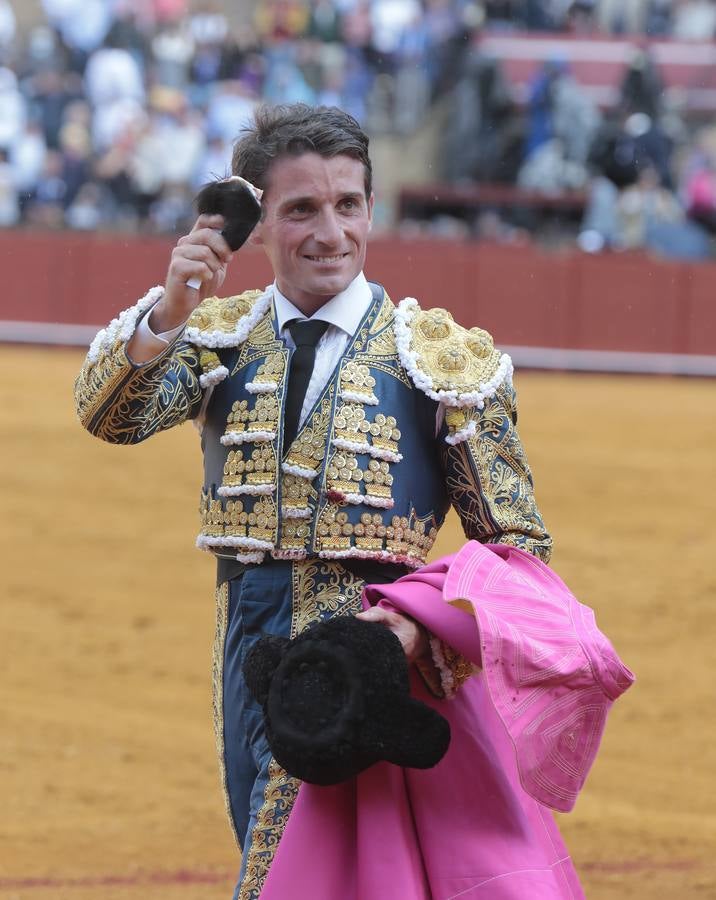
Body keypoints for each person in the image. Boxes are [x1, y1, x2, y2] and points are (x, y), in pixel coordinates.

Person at [74, 103, 616, 899]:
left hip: (369, 665)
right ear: (257, 222)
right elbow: (109, 418)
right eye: (301, 209)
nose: (330, 233)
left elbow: (518, 551)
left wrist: (413, 632)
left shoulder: (438, 362)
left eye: (347, 205)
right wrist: (169, 311)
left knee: (289, 879)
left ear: (370, 207)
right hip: (243, 652)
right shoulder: (216, 336)